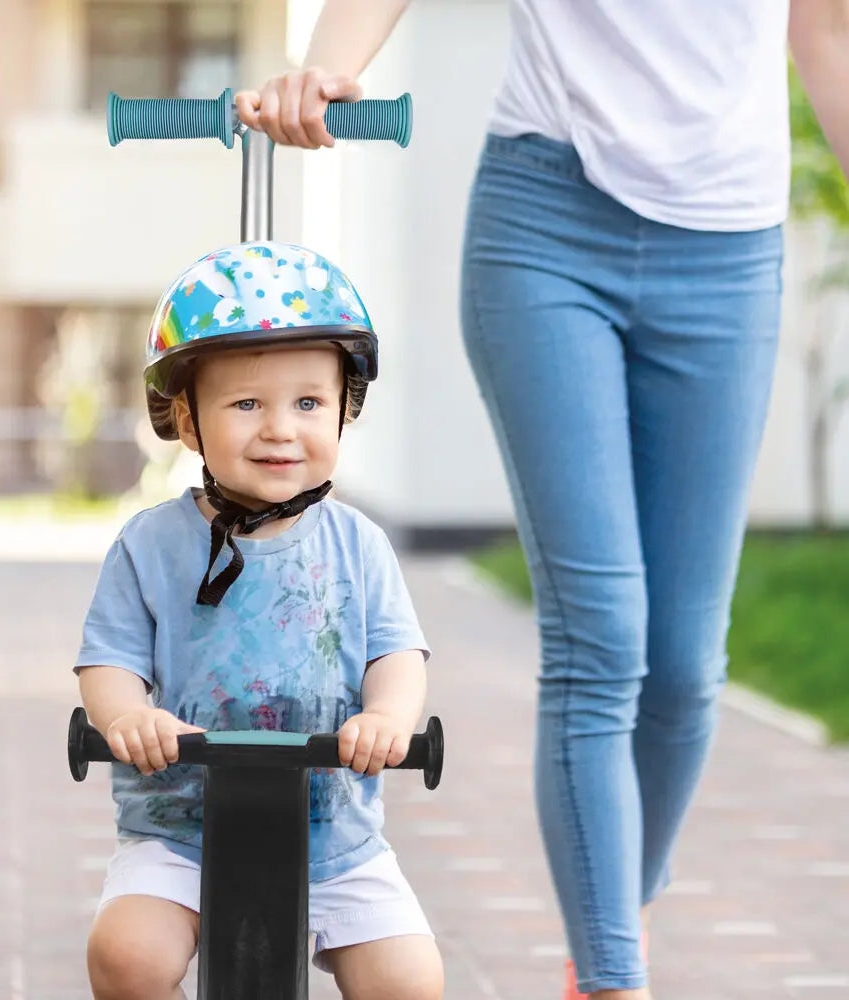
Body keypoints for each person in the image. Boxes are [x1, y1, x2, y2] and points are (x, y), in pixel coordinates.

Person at [234, 2, 849, 999]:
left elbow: (826, 27)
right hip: (548, 225)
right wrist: (326, 65)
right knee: (602, 638)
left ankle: (613, 919)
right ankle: (613, 976)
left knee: (687, 668)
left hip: (729, 249)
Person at [74, 240, 443, 1000]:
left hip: (333, 835)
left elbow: (397, 653)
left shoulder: (360, 544)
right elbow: (107, 660)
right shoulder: (149, 546)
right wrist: (128, 716)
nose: (280, 429)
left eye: (308, 403)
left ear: (345, 408)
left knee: (409, 982)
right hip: (180, 827)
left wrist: (387, 718)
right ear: (186, 418)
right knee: (127, 957)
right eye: (246, 404)